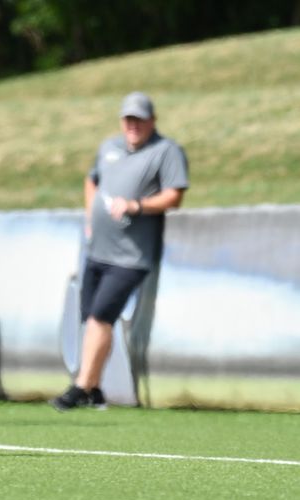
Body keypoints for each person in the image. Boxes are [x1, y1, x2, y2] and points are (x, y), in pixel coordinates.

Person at [51, 91, 188, 411]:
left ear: (152, 121)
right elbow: (91, 181)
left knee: (101, 316)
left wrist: (137, 206)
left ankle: (80, 387)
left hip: (131, 255)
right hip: (97, 249)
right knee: (91, 317)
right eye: (129, 119)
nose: (133, 125)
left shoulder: (166, 152)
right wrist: (90, 217)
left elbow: (174, 196)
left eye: (139, 120)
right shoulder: (109, 147)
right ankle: (95, 387)